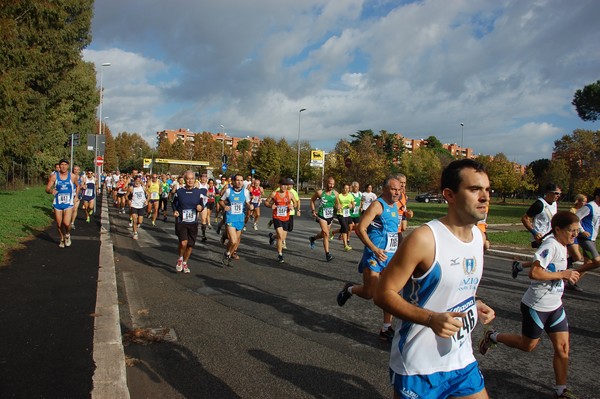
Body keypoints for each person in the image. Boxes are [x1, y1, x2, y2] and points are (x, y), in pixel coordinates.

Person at [373, 159, 496, 399]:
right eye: (474, 189)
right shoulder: (425, 239)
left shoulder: (478, 239)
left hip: (461, 361)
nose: (485, 197)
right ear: (449, 195)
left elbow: (457, 288)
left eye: (487, 190)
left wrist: (475, 302)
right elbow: (383, 293)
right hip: (419, 366)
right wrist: (430, 319)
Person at [479, 211, 581, 399]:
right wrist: (562, 275)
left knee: (563, 348)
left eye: (577, 230)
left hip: (555, 306)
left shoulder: (562, 244)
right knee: (527, 346)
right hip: (537, 306)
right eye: (571, 231)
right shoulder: (551, 245)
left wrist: (564, 272)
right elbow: (535, 273)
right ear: (558, 229)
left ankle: (561, 390)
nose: (575, 235)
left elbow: (544, 265)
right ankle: (493, 336)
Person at [336, 175, 402, 341]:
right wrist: (374, 248)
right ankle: (349, 289)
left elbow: (394, 231)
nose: (397, 192)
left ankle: (386, 328)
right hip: (374, 254)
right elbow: (360, 229)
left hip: (390, 255)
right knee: (369, 293)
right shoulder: (377, 206)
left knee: (390, 291)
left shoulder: (396, 205)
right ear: (385, 189)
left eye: (399, 189)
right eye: (394, 189)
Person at [512, 183, 561, 278]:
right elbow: (525, 218)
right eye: (556, 193)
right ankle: (539, 278)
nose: (558, 196)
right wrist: (534, 233)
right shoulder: (539, 204)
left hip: (551, 236)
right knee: (547, 259)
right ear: (548, 193)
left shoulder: (554, 204)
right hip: (540, 237)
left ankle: (519, 266)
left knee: (545, 259)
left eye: (559, 194)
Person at [171, 170, 205, 273]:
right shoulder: (179, 191)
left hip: (193, 222)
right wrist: (175, 211)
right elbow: (174, 203)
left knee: (190, 245)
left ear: (195, 180)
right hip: (182, 221)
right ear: (184, 180)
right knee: (183, 242)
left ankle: (185, 262)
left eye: (192, 179)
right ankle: (180, 258)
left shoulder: (199, 192)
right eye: (188, 179)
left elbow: (202, 205)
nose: (190, 181)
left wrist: (201, 207)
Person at [219, 174, 254, 266]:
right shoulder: (228, 191)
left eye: (241, 180)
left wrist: (250, 206)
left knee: (236, 242)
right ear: (233, 181)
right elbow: (221, 200)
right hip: (230, 218)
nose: (240, 182)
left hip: (240, 219)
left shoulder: (246, 192)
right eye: (238, 180)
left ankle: (227, 254)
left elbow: (247, 203)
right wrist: (224, 206)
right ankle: (228, 254)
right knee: (233, 240)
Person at [45, 159, 79, 247]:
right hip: (58, 203)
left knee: (66, 223)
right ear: (59, 166)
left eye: (65, 164)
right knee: (59, 224)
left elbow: (77, 185)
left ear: (68, 166)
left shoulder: (72, 176)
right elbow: (47, 189)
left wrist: (76, 196)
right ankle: (62, 238)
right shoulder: (54, 176)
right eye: (62, 165)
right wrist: (50, 191)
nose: (63, 166)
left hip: (68, 203)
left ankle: (67, 234)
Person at [265, 178, 298, 263]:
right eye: (282, 185)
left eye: (286, 185)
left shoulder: (290, 194)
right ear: (279, 185)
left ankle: (272, 236)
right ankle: (280, 255)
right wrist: (270, 206)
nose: (284, 187)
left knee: (283, 237)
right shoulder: (274, 194)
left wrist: (292, 206)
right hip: (277, 217)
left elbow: (295, 203)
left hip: (286, 218)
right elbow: (266, 202)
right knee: (280, 235)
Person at [308, 177, 339, 262]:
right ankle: (327, 254)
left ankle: (313, 238)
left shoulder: (336, 193)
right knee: (326, 234)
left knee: (323, 234)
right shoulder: (320, 192)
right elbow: (312, 200)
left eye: (333, 184)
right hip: (321, 215)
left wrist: (338, 207)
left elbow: (337, 204)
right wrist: (313, 210)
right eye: (330, 183)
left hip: (330, 216)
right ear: (326, 183)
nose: (331, 186)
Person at [574, 188, 600, 279]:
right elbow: (575, 217)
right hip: (585, 239)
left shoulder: (599, 207)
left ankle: (571, 281)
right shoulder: (589, 206)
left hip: (592, 238)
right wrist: (582, 231)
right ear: (597, 197)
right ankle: (569, 273)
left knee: (588, 263)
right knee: (597, 261)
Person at [333, 183, 355, 251]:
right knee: (345, 228)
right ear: (342, 188)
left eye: (348, 188)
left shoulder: (350, 195)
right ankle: (345, 245)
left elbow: (353, 204)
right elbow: (335, 205)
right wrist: (337, 207)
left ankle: (333, 232)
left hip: (347, 214)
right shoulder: (339, 196)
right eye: (345, 188)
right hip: (340, 214)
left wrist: (351, 206)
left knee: (350, 227)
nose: (346, 190)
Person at [127, 175, 148, 240]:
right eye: (136, 181)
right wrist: (128, 201)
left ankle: (137, 225)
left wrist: (147, 200)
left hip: (141, 206)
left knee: (140, 221)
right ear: (134, 181)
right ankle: (135, 233)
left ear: (140, 181)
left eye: (139, 181)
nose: (137, 182)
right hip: (134, 205)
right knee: (135, 220)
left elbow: (149, 194)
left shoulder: (143, 187)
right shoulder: (131, 188)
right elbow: (126, 195)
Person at [69, 165, 82, 229]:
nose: (76, 171)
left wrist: (83, 186)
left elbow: (82, 185)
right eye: (75, 169)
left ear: (79, 171)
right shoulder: (70, 176)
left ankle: (72, 223)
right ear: (73, 170)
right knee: (69, 209)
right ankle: (67, 220)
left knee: (75, 209)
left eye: (77, 169)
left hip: (77, 195)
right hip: (70, 194)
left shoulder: (81, 178)